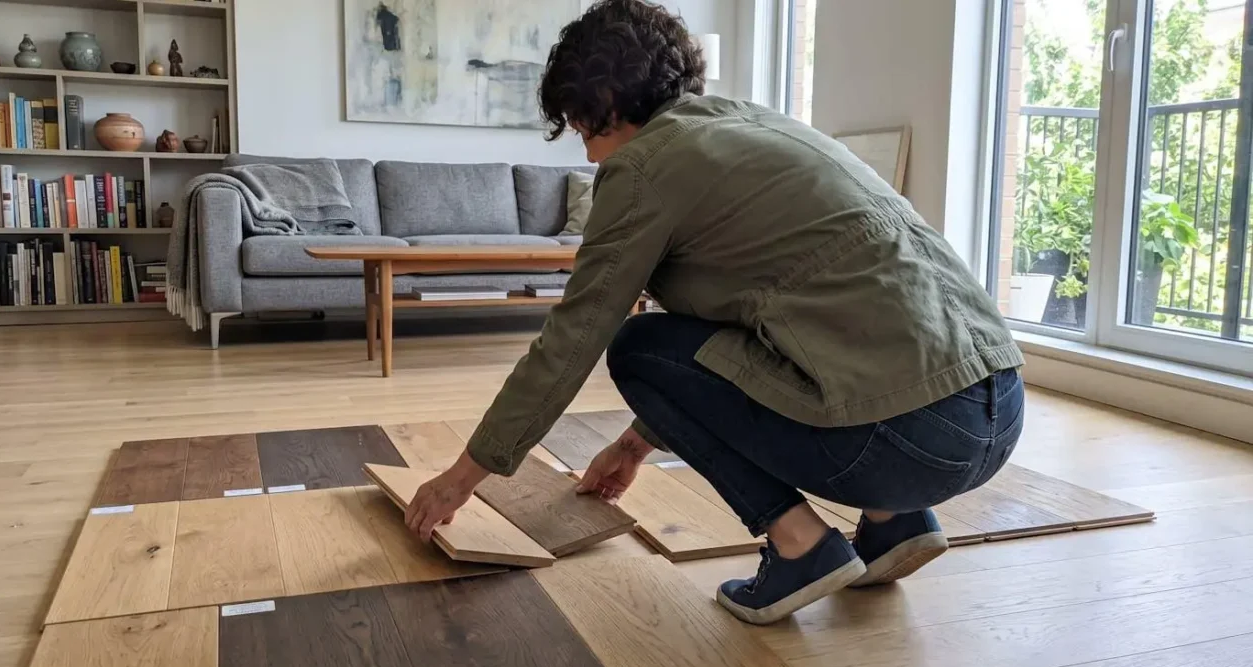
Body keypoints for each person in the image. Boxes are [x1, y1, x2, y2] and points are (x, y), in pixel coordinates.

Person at [405, 0, 1025, 625]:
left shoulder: (644, 168)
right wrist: (635, 443)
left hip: (908, 441)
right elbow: (731, 340)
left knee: (635, 348)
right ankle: (895, 522)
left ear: (609, 105)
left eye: (586, 130)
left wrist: (462, 477)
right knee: (713, 342)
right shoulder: (756, 125)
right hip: (996, 412)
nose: (591, 157)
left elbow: (571, 341)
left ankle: (801, 547)